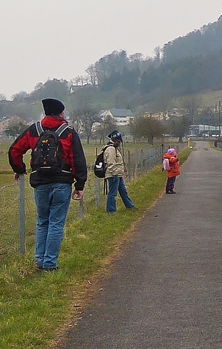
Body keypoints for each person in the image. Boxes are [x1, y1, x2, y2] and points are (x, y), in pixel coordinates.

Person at [9, 98, 87, 272]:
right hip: (62, 183)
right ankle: (50, 264)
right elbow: (78, 160)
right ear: (60, 113)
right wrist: (79, 185)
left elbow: (14, 151)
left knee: (42, 222)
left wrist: (20, 169)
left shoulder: (34, 130)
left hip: (40, 183)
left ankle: (39, 260)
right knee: (56, 223)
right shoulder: (68, 132)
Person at [103, 130, 136, 212]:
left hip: (118, 174)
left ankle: (130, 206)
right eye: (118, 141)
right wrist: (115, 174)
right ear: (114, 140)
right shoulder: (110, 149)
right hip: (113, 174)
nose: (119, 143)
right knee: (113, 193)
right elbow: (111, 163)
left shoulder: (115, 148)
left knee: (123, 192)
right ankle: (111, 210)